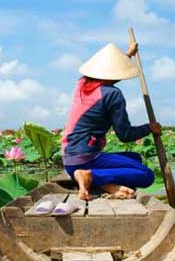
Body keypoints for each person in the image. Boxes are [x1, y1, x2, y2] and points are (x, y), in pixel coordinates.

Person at [61, 42, 161, 201]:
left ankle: (103, 183)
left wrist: (128, 54)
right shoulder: (113, 94)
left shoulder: (82, 85)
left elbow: (110, 74)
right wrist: (149, 127)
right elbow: (125, 134)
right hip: (87, 159)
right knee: (146, 175)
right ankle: (90, 176)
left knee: (135, 158)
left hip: (69, 160)